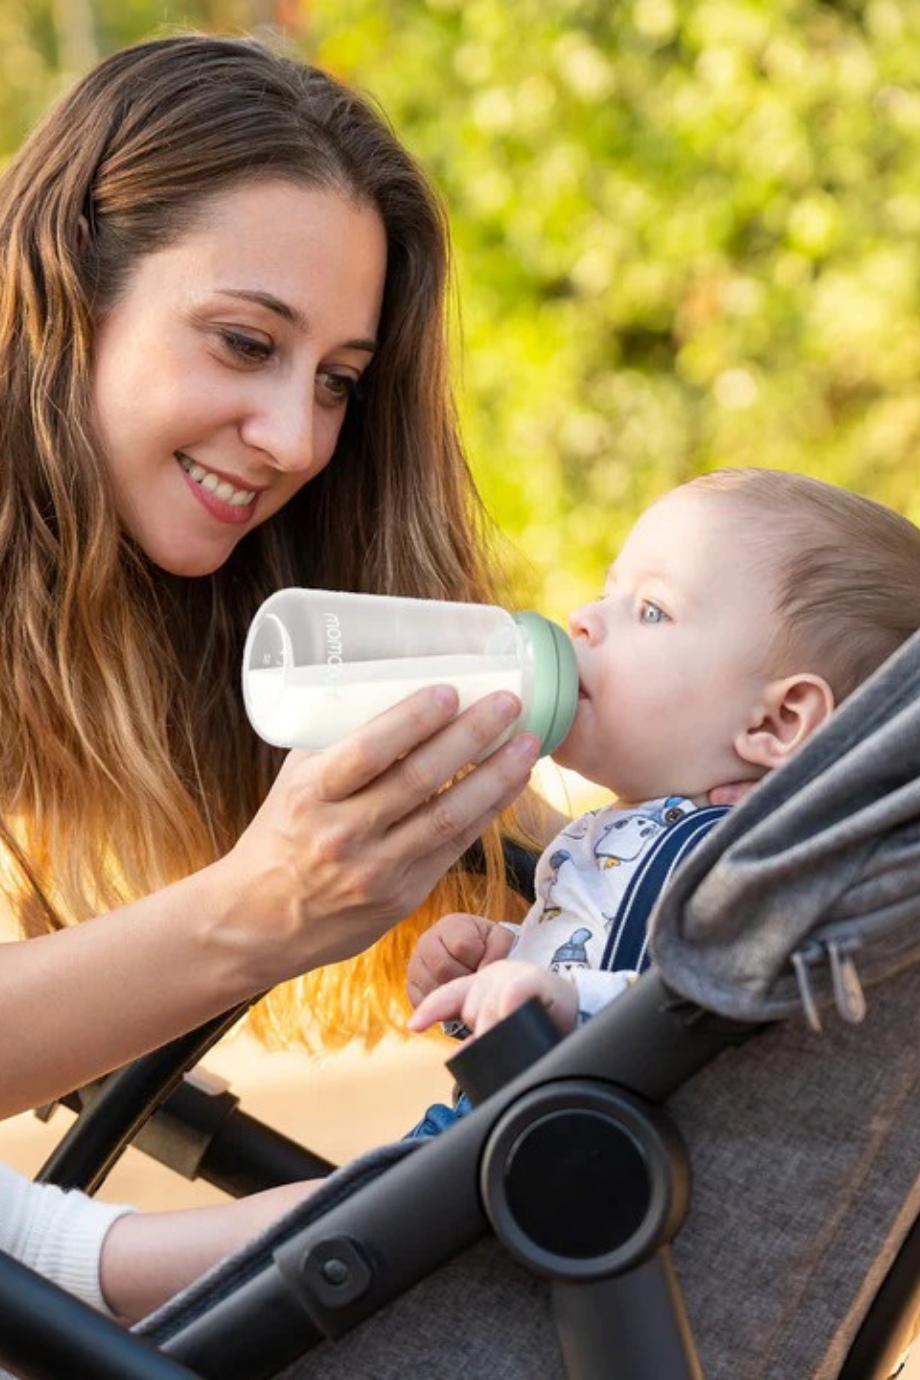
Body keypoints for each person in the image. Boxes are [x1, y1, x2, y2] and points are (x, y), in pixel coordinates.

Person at [0, 30, 545, 1327]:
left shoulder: (203, 607)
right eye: (246, 343)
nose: (298, 439)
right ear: (66, 294)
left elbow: (556, 862)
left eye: (340, 382)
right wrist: (255, 910)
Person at [406, 467, 920, 1067]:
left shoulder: (737, 871)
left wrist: (567, 1002)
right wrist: (508, 960)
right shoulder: (621, 829)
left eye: (651, 611)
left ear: (774, 723)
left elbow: (701, 1011)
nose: (581, 618)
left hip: (573, 1148)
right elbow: (609, 956)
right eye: (607, 592)